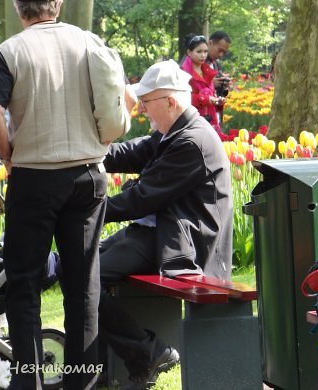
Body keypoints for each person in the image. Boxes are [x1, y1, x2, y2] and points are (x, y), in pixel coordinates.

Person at [0, 0, 129, 388]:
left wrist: (6, 153)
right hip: (87, 175)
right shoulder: (89, 42)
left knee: (24, 283)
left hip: (34, 176)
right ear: (59, 4)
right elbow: (117, 102)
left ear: (19, 9)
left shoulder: (10, 52)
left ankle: (28, 380)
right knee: (83, 283)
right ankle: (80, 381)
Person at [98, 59, 233, 389]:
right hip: (160, 232)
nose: (142, 110)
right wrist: (89, 150)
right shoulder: (175, 131)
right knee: (79, 268)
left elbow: (142, 197)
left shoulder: (190, 141)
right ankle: (127, 359)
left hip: (184, 243)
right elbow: (131, 152)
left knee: (85, 276)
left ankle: (146, 353)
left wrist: (86, 211)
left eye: (146, 103)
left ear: (170, 102)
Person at [181, 34, 225, 134]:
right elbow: (184, 99)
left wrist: (218, 101)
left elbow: (212, 96)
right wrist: (206, 99)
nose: (203, 55)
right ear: (189, 52)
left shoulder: (208, 72)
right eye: (199, 51)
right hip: (193, 123)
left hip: (211, 121)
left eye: (205, 51)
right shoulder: (183, 73)